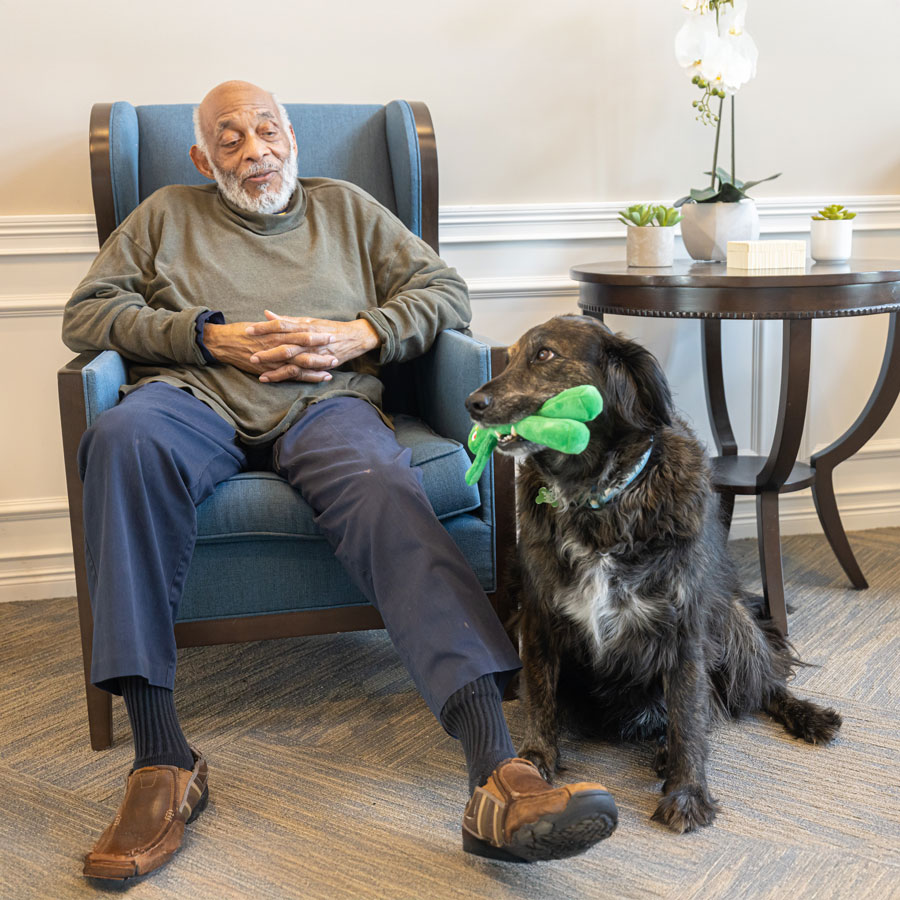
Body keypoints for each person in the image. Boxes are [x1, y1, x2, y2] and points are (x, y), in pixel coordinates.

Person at [62, 80, 618, 880]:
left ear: (293, 139)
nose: (254, 152)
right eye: (230, 139)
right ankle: (162, 760)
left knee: (388, 488)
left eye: (267, 132)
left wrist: (361, 331)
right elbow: (87, 314)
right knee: (120, 439)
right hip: (191, 396)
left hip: (326, 404)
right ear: (200, 157)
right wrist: (206, 338)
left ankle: (496, 771)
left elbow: (445, 292)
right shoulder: (162, 217)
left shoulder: (347, 208)